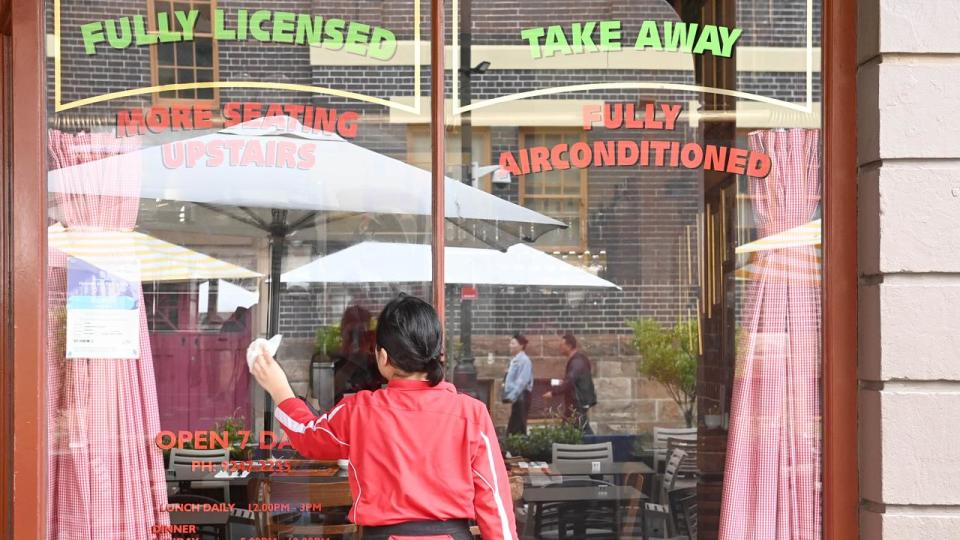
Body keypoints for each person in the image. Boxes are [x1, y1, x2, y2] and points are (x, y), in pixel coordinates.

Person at [251, 294, 518, 540]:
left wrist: (279, 388)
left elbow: (308, 434)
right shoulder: (471, 413)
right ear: (437, 352)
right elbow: (494, 501)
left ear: (383, 356)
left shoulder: (360, 411)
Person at [543, 333, 596, 434]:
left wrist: (553, 393)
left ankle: (595, 446)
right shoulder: (579, 360)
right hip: (575, 402)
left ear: (569, 346)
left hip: (577, 402)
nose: (560, 348)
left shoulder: (577, 361)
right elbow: (573, 380)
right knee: (574, 427)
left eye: (561, 345)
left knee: (583, 430)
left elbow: (570, 381)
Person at [502, 334, 533, 435]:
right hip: (517, 398)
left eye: (513, 343)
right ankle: (514, 447)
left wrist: (512, 396)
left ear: (521, 345)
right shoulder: (515, 360)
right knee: (515, 426)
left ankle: (517, 448)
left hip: (522, 397)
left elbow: (522, 382)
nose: (510, 345)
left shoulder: (524, 360)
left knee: (518, 426)